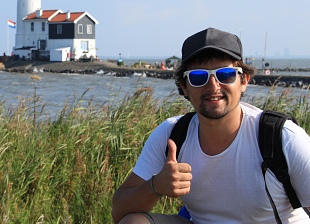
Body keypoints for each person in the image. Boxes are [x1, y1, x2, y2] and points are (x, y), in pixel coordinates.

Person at [111, 27, 310, 223]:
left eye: (225, 74)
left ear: (244, 81)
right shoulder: (172, 134)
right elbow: (119, 212)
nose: (213, 86)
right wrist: (155, 187)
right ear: (184, 87)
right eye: (199, 77)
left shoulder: (282, 137)